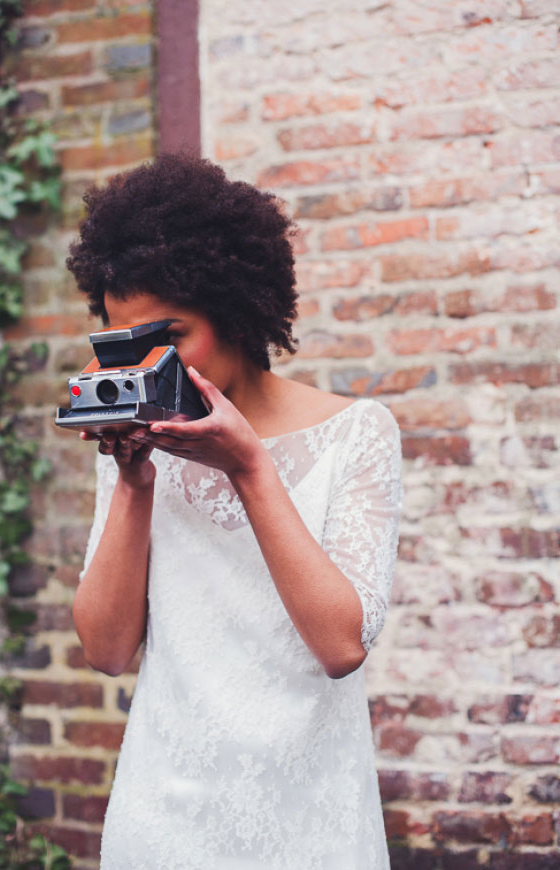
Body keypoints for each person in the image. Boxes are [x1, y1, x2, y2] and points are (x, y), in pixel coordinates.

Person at [66, 152, 403, 870]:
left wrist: (248, 466)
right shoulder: (140, 440)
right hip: (164, 809)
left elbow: (341, 646)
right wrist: (132, 480)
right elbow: (105, 650)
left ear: (237, 311)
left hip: (308, 813)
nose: (146, 366)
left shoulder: (355, 433)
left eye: (169, 337)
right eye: (127, 344)